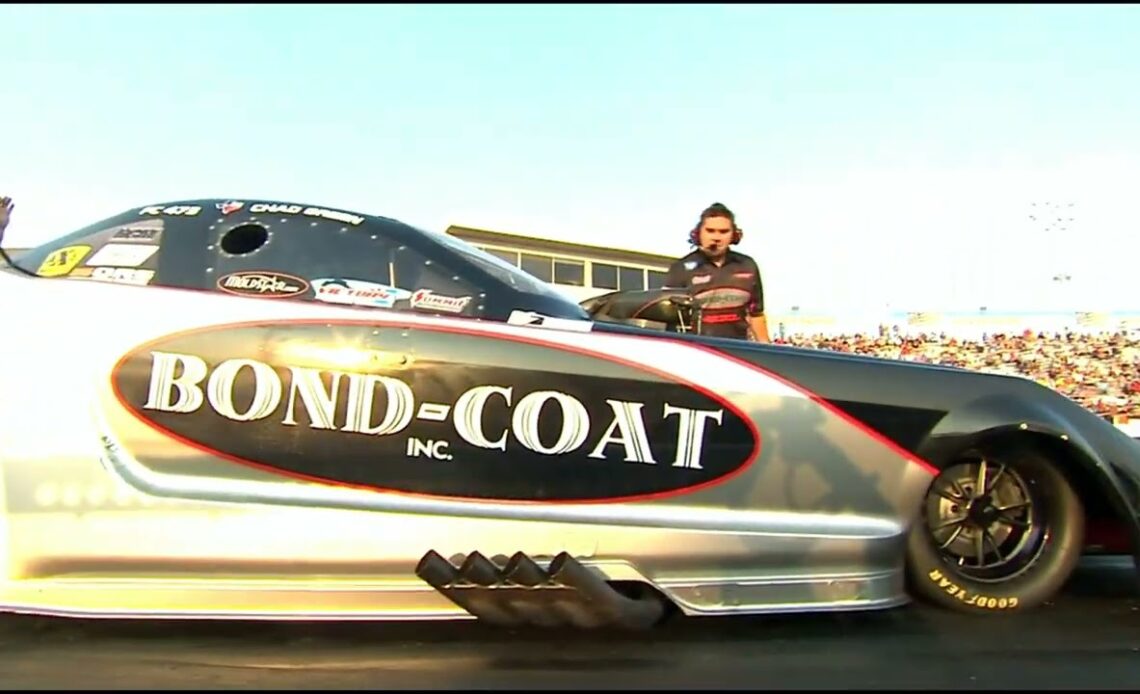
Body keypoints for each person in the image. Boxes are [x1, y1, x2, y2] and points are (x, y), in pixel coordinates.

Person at [664, 202, 770, 342]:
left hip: (738, 350)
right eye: (710, 230)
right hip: (698, 350)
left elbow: (756, 314)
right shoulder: (681, 268)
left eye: (723, 232)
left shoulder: (747, 265)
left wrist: (767, 348)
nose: (716, 237)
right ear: (698, 233)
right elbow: (667, 319)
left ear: (734, 235)